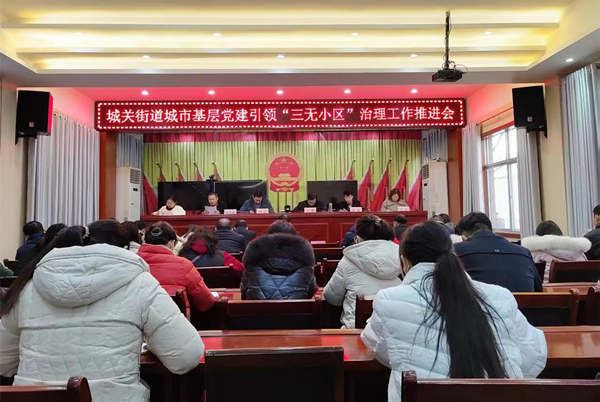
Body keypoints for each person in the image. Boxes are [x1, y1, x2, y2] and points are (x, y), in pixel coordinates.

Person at [0, 220, 204, 401]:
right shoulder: (140, 283)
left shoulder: (28, 287)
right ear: (126, 248)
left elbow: (3, 363)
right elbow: (186, 357)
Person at [361, 222, 547, 402]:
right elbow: (533, 355)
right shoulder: (501, 296)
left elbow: (381, 348)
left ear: (404, 262)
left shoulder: (388, 299)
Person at [324, 215, 402, 329]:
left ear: (359, 238)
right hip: (394, 328)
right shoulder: (402, 257)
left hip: (356, 330)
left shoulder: (348, 259)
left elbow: (332, 297)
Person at [138, 221, 215, 313]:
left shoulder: (131, 261)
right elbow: (205, 302)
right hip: (173, 318)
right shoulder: (183, 265)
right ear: (172, 243)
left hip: (136, 319)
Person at [454, 212, 541, 292]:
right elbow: (538, 290)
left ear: (463, 237)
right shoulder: (524, 252)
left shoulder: (456, 250)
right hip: (522, 304)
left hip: (479, 304)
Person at [241, 221, 319, 300]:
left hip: (258, 307)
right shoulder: (305, 262)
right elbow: (311, 292)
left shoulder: (254, 259)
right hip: (296, 307)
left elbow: (244, 293)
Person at [522, 220, 590, 282]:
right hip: (581, 290)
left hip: (548, 290)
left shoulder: (535, 254)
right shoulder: (580, 253)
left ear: (539, 237)